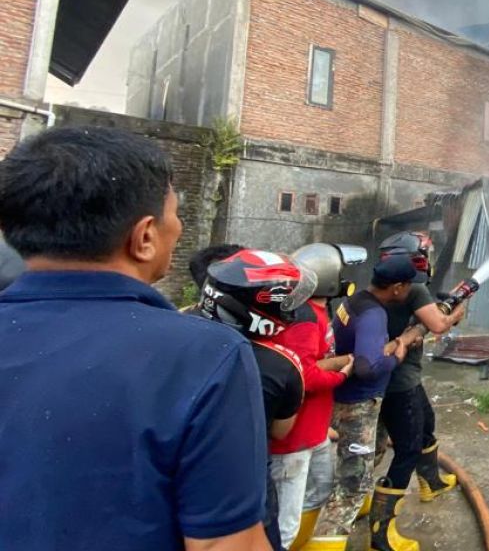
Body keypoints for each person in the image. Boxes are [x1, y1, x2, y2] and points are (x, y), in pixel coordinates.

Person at [0, 126, 273, 551]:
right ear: (144, 237)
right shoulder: (203, 356)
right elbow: (225, 544)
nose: (179, 227)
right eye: (175, 213)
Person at [198, 249, 317, 551]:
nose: (289, 310)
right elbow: (280, 431)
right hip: (244, 482)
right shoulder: (283, 365)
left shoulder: (172, 329)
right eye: (284, 302)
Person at [307, 255, 422, 551]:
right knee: (351, 484)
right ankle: (326, 542)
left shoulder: (355, 300)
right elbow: (366, 366)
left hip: (359, 400)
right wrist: (399, 351)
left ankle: (360, 509)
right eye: (408, 285)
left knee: (378, 447)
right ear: (397, 287)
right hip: (356, 403)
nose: (410, 290)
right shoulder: (373, 315)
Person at [271, 243, 360, 550]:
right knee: (285, 522)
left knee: (321, 488)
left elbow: (312, 361)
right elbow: (301, 376)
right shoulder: (306, 318)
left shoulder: (318, 311)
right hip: (294, 439)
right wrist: (342, 374)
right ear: (329, 277)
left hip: (315, 431)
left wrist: (339, 360)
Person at [377, 234, 465, 512]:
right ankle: (382, 527)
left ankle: (431, 483)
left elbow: (419, 326)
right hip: (399, 381)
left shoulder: (390, 289)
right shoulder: (414, 290)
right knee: (408, 449)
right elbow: (438, 325)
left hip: (398, 377)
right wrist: (455, 313)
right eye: (427, 255)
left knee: (426, 422)